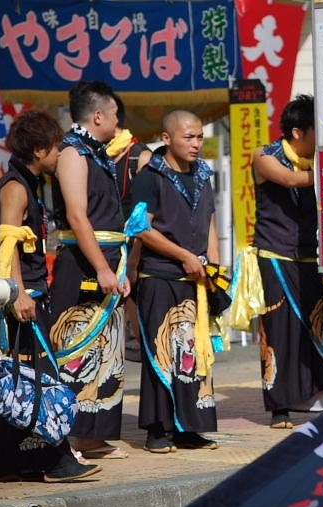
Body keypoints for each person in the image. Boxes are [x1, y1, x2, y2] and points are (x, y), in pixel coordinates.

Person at [0, 110, 101, 482]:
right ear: (39, 150)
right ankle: (58, 461)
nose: (60, 155)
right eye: (56, 148)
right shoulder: (15, 188)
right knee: (41, 380)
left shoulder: (31, 184)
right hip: (23, 299)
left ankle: (5, 461)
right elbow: (8, 243)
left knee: (24, 381)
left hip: (35, 294)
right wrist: (19, 294)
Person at [252, 94, 323, 429]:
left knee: (319, 325)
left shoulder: (318, 161)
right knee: (279, 330)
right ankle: (279, 406)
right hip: (274, 256)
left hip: (309, 255)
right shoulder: (265, 156)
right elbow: (290, 180)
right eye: (316, 131)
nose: (322, 139)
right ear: (297, 132)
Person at [130, 110, 220, 453]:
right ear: (167, 139)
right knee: (160, 351)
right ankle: (156, 429)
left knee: (192, 353)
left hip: (196, 277)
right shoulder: (150, 176)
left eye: (199, 137)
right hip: (160, 275)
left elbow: (209, 222)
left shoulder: (203, 174)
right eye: (188, 137)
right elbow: (140, 227)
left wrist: (214, 267)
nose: (196, 144)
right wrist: (183, 255)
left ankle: (188, 427)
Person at [50, 80, 130, 460]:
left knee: (108, 350)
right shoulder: (72, 152)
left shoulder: (98, 153)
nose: (117, 123)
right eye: (114, 115)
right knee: (77, 349)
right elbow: (77, 216)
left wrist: (117, 267)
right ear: (98, 116)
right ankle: (69, 436)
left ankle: (94, 436)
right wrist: (101, 267)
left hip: (111, 260)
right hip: (84, 263)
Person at [108, 94, 152, 359]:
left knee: (136, 299)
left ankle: (142, 345)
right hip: (106, 247)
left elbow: (147, 215)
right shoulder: (91, 154)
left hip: (136, 247)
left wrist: (134, 259)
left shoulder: (140, 156)